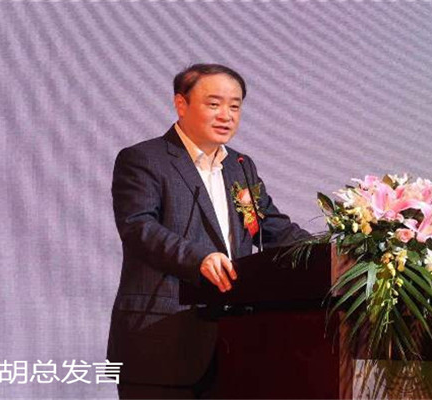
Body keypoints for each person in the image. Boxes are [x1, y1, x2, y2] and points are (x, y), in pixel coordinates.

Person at [106, 64, 307, 399]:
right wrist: (199, 258)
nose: (226, 115)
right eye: (214, 104)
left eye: (235, 106)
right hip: (160, 338)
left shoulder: (240, 166)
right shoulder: (144, 159)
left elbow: (273, 227)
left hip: (234, 342)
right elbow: (139, 227)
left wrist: (338, 253)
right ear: (181, 104)